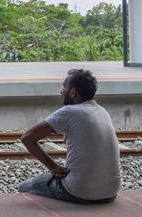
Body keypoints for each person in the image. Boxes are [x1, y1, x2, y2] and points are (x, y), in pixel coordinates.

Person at [19, 69, 119, 204]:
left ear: (73, 92)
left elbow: (27, 138)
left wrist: (53, 167)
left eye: (64, 86)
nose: (61, 91)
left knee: (26, 186)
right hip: (111, 192)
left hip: (80, 192)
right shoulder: (102, 111)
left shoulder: (69, 111)